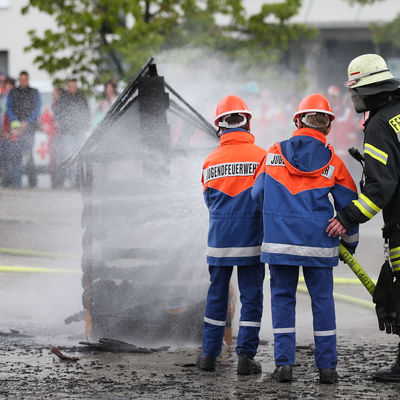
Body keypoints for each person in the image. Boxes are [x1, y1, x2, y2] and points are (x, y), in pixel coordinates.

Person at [252, 93, 359, 384]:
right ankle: (327, 369)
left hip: (279, 244)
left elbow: (256, 194)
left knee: (283, 301)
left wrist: (277, 216)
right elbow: (350, 206)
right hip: (320, 245)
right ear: (327, 127)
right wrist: (350, 244)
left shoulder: (274, 152)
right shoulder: (333, 161)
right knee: (322, 303)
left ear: (297, 120)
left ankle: (284, 367)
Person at [326, 53, 400, 382]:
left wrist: (347, 217)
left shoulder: (381, 124)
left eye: (355, 91)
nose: (353, 98)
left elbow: (381, 188)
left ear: (369, 91)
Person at [196, 95, 267, 375]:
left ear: (220, 126)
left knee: (216, 297)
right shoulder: (262, 156)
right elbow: (266, 197)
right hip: (252, 241)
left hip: (220, 242)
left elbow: (208, 200)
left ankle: (208, 357)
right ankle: (245, 359)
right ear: (247, 122)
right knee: (251, 298)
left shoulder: (209, 161)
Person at [6, 71, 41, 188]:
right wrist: (15, 122)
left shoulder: (34, 92)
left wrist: (27, 122)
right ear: (19, 80)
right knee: (16, 156)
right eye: (21, 79)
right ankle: (17, 183)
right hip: (16, 130)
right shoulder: (13, 92)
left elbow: (37, 109)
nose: (23, 81)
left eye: (25, 79)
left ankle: (32, 182)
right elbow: (9, 108)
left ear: (28, 80)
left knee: (28, 156)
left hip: (29, 130)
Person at [52, 78, 90, 188]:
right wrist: (58, 123)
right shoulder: (63, 99)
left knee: (79, 156)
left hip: (79, 132)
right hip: (67, 133)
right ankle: (72, 181)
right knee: (69, 156)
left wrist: (84, 126)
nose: (72, 88)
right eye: (70, 86)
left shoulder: (82, 98)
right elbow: (57, 113)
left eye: (74, 86)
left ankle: (79, 181)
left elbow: (86, 114)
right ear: (68, 87)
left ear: (76, 87)